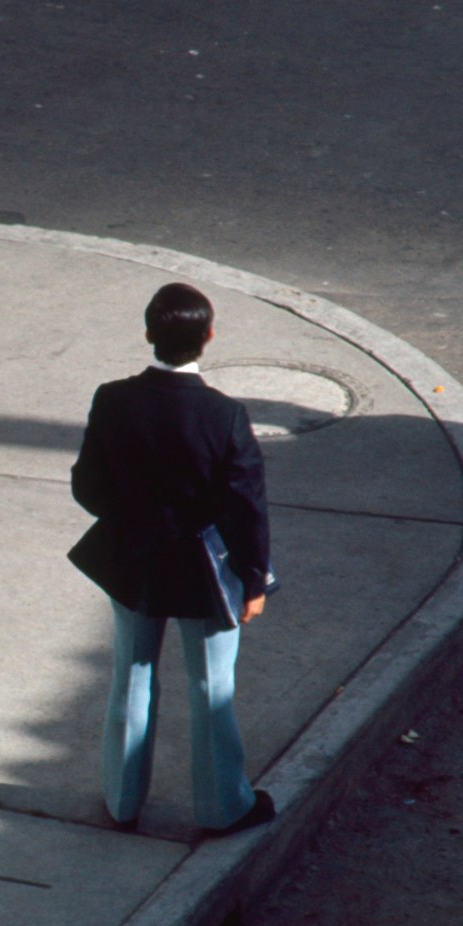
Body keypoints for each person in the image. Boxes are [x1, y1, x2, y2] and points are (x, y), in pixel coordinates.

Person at [68, 282, 276, 834]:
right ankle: (221, 807)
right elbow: (245, 507)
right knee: (212, 688)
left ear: (148, 335)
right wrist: (253, 577)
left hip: (133, 559)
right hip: (204, 568)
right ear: (208, 337)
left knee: (131, 676)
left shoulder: (112, 398)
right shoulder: (225, 415)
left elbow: (87, 485)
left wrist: (135, 519)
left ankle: (121, 802)